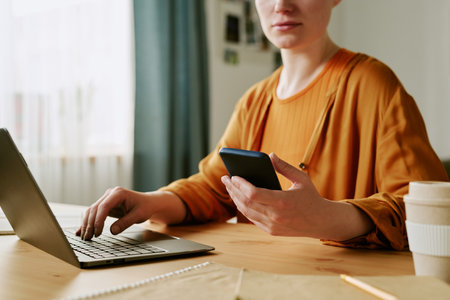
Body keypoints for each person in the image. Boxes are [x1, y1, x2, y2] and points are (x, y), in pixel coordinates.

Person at [77, 0, 448, 249]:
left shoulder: (373, 85)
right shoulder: (255, 100)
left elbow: (427, 208)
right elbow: (215, 187)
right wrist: (150, 201)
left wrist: (327, 218)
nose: (281, 4)